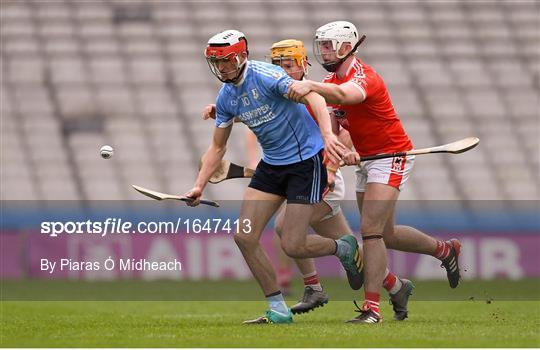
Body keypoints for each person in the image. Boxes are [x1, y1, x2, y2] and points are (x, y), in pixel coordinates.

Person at [202, 38, 413, 320]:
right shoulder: (280, 91)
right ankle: (394, 285)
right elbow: (261, 111)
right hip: (302, 172)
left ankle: (316, 285)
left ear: (303, 66)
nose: (283, 72)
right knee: (336, 241)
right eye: (278, 66)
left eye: (289, 65)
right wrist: (225, 111)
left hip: (324, 174)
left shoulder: (320, 96)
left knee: (289, 233)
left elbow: (343, 132)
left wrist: (338, 160)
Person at [288, 21, 462, 324]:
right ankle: (444, 251)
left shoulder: (364, 77)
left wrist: (311, 85)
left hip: (391, 156)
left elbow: (346, 97)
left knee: (371, 231)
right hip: (368, 160)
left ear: (346, 46)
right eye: (322, 45)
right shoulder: (332, 80)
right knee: (388, 235)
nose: (324, 51)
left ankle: (372, 309)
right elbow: (337, 125)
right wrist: (345, 148)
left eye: (329, 45)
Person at [185, 29, 360, 325]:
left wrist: (328, 135)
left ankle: (343, 247)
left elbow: (314, 96)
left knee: (292, 244)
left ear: (241, 56)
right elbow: (217, 147)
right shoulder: (227, 96)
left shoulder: (267, 76)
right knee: (244, 236)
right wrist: (198, 185)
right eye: (216, 63)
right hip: (272, 166)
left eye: (226, 61)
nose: (221, 68)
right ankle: (277, 309)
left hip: (305, 163)